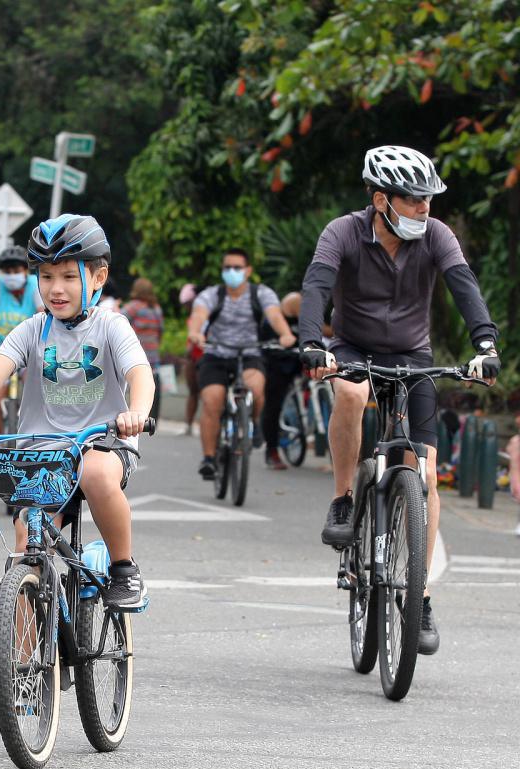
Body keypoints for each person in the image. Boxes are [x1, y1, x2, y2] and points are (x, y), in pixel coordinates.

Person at [299, 145, 500, 655]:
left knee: (425, 473)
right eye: (414, 200)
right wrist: (310, 342)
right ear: (382, 199)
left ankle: (420, 594)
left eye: (429, 199)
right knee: (349, 390)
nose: (425, 209)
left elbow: (464, 286)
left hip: (413, 355)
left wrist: (486, 344)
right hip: (352, 348)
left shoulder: (437, 236)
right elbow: (318, 283)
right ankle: (345, 499)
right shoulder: (342, 232)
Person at [0, 214, 156, 607]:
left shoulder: (112, 327)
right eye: (47, 276)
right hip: (42, 452)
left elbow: (141, 375)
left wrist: (136, 411)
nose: (56, 289)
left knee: (97, 472)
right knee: (26, 543)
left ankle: (124, 568)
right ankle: (21, 658)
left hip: (102, 443)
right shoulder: (33, 329)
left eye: (70, 277)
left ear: (98, 278)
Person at [187, 249, 296, 479]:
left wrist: (285, 334)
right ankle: (208, 459)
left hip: (249, 353)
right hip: (216, 353)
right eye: (227, 268)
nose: (231, 272)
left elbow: (275, 316)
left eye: (237, 267)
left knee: (256, 390)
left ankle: (253, 422)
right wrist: (195, 333)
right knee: (212, 400)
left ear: (248, 271)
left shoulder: (261, 294)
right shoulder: (212, 294)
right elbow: (199, 314)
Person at [0, 244, 43, 434]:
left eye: (15, 269)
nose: (10, 274)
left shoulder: (36, 284)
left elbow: (44, 314)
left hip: (31, 351)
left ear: (25, 270)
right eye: (6, 270)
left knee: (41, 398)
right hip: (0, 351)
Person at [260, 291, 302, 470]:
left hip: (297, 362)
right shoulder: (273, 319)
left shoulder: (303, 319)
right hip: (276, 364)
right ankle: (272, 450)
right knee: (273, 405)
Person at [121, 277, 164, 423]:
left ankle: (130, 413)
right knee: (151, 384)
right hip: (153, 354)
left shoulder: (133, 307)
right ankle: (150, 417)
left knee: (131, 384)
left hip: (135, 354)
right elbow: (160, 331)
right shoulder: (156, 309)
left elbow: (117, 323)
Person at [179, 283, 202, 435]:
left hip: (204, 357)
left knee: (206, 393)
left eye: (188, 304)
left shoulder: (204, 313)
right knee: (193, 392)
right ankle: (188, 424)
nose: (186, 307)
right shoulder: (193, 316)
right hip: (193, 358)